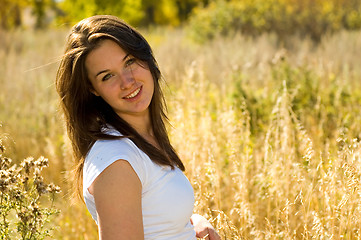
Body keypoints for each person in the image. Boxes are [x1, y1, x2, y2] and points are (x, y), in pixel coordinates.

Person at [56, 15, 221, 240]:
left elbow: (153, 215)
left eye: (129, 62)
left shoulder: (138, 139)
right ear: (93, 89)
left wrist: (192, 223)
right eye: (107, 76)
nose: (127, 82)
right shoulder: (117, 161)